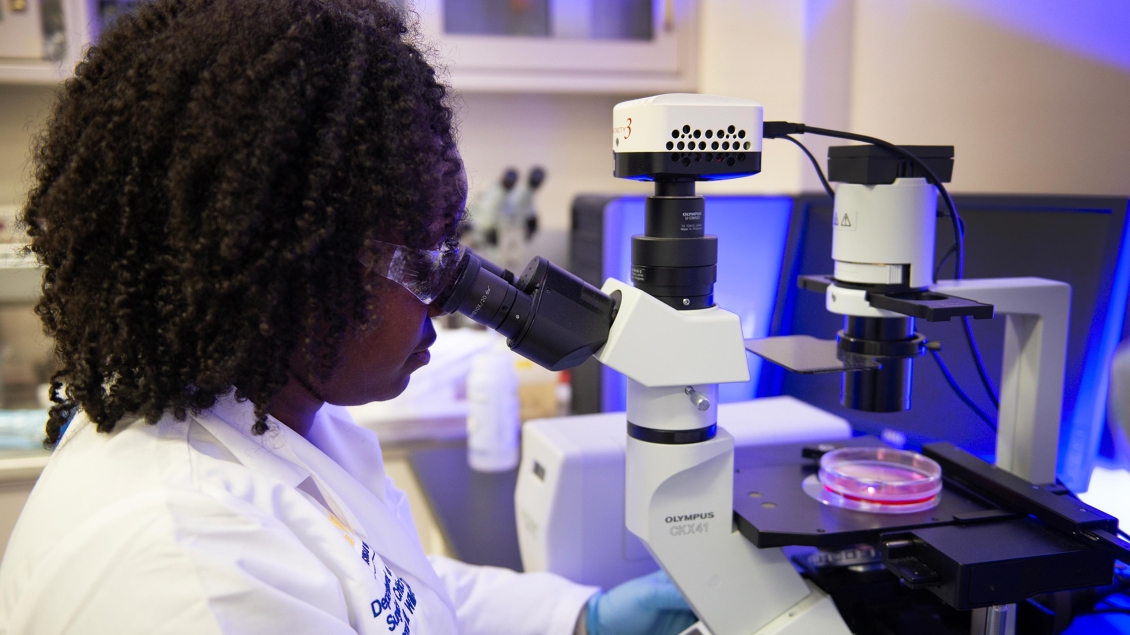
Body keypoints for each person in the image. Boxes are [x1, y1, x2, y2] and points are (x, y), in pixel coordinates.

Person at [0, 1, 697, 634]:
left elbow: (385, 585)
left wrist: (577, 617)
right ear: (291, 269)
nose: (451, 292)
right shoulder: (191, 572)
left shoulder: (266, 414)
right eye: (422, 259)